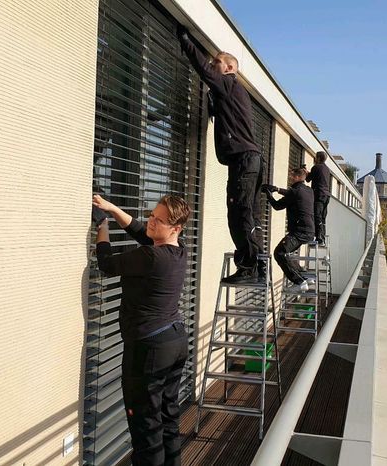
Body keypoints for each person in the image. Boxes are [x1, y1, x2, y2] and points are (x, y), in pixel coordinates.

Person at [93, 194, 191, 466]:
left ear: (175, 228)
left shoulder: (151, 256)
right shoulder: (179, 250)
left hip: (150, 349)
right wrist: (112, 209)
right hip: (174, 341)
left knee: (146, 427)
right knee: (168, 418)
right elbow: (139, 230)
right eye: (152, 215)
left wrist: (102, 227)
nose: (151, 222)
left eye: (159, 220)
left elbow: (107, 264)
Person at [177, 25, 266, 284]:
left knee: (238, 213)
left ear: (230, 68)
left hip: (244, 160)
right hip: (249, 160)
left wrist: (185, 39)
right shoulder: (230, 92)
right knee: (246, 213)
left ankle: (249, 268)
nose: (213, 65)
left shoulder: (228, 83)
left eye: (217, 62)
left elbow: (204, 71)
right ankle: (255, 266)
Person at [263, 168, 316, 291]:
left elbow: (277, 206)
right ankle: (304, 276)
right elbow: (293, 194)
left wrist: (268, 194)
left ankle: (299, 282)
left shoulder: (294, 191)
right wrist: (276, 189)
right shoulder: (309, 191)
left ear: (297, 177)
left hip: (299, 232)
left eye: (292, 176)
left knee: (279, 253)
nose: (290, 179)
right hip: (310, 231)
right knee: (287, 253)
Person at [306, 151, 332, 245]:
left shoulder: (316, 167)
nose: (314, 159)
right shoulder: (327, 169)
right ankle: (322, 237)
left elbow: (308, 179)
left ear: (318, 158)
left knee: (317, 215)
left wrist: (306, 173)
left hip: (319, 195)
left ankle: (319, 238)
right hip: (326, 195)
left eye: (315, 157)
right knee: (323, 217)